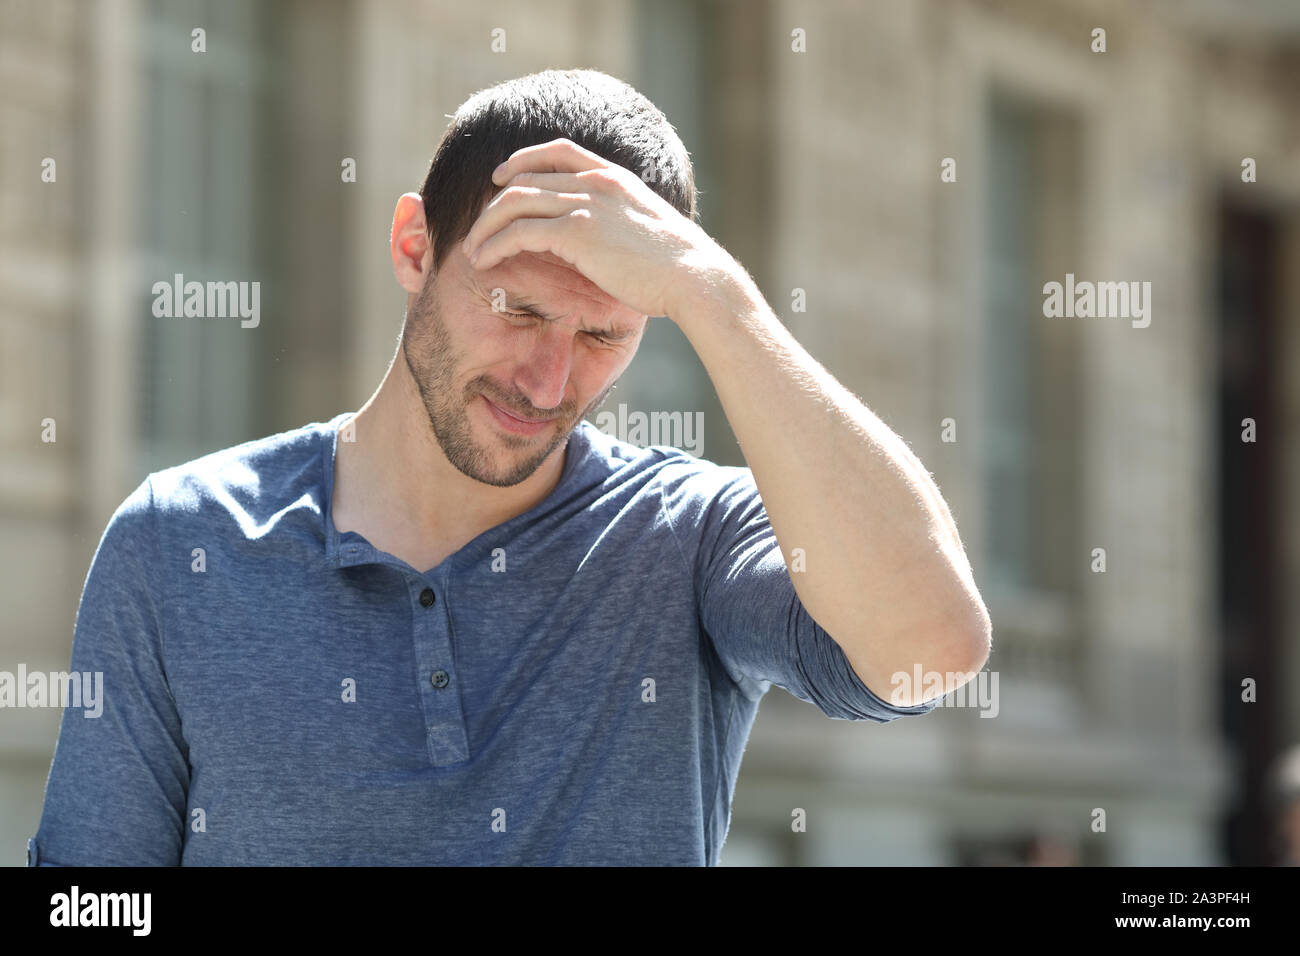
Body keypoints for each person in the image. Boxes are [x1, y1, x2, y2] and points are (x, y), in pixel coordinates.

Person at [29, 68, 989, 866]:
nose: (548, 380)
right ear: (415, 248)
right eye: (519, 309)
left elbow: (930, 650)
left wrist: (716, 296)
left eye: (606, 334)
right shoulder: (179, 544)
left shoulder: (689, 540)